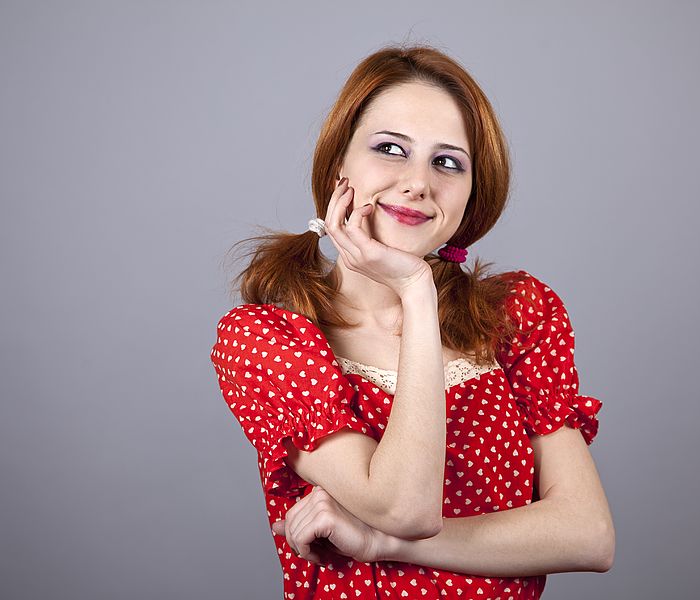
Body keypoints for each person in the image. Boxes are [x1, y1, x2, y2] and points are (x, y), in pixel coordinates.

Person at [210, 44, 614, 599]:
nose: (418, 183)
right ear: (338, 168)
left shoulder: (517, 316)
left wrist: (384, 545)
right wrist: (414, 288)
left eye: (447, 162)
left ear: (471, 196)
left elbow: (589, 535)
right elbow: (404, 506)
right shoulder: (266, 341)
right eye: (390, 149)